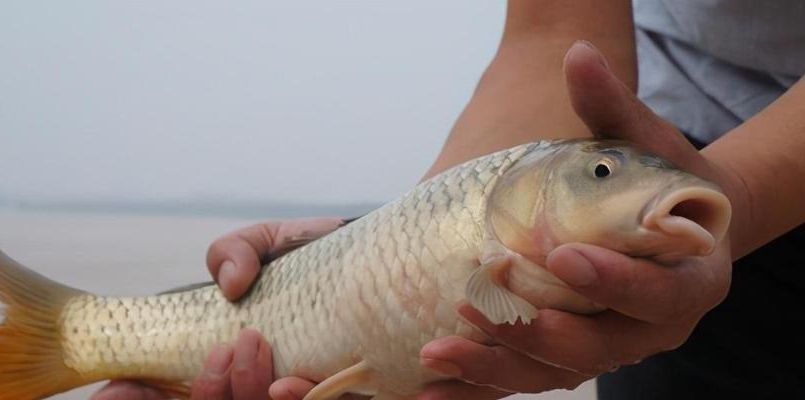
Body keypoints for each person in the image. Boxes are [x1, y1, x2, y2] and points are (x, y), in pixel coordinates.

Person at [92, 1, 805, 399]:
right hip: (672, 148)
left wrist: (736, 192)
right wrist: (386, 248)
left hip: (679, 177)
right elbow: (555, 30)